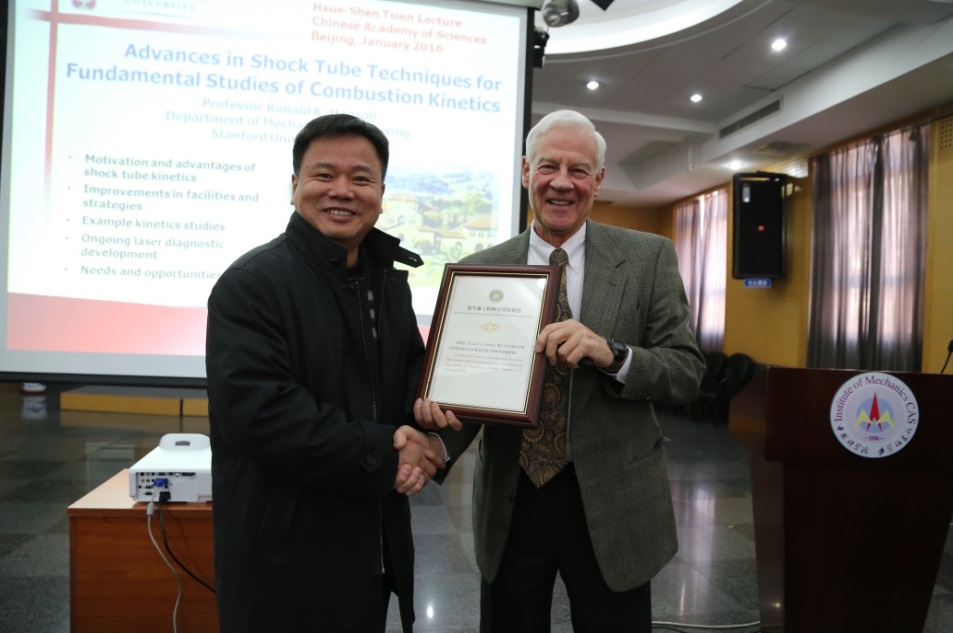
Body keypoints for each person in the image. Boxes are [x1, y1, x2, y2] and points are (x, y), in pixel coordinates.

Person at [416, 109, 706, 633]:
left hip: (615, 499)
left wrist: (612, 354)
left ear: (598, 180)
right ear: (526, 170)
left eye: (579, 170)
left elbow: (686, 371)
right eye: (549, 166)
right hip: (512, 499)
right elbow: (472, 387)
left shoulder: (648, 258)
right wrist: (436, 443)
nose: (562, 182)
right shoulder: (482, 268)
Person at [206, 113, 445, 633]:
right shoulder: (251, 284)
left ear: (381, 193)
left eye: (361, 178)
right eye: (323, 175)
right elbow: (264, 415)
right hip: (284, 561)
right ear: (294, 185)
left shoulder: (387, 283)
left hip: (370, 549)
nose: (342, 191)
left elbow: (413, 377)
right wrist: (389, 451)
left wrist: (432, 436)